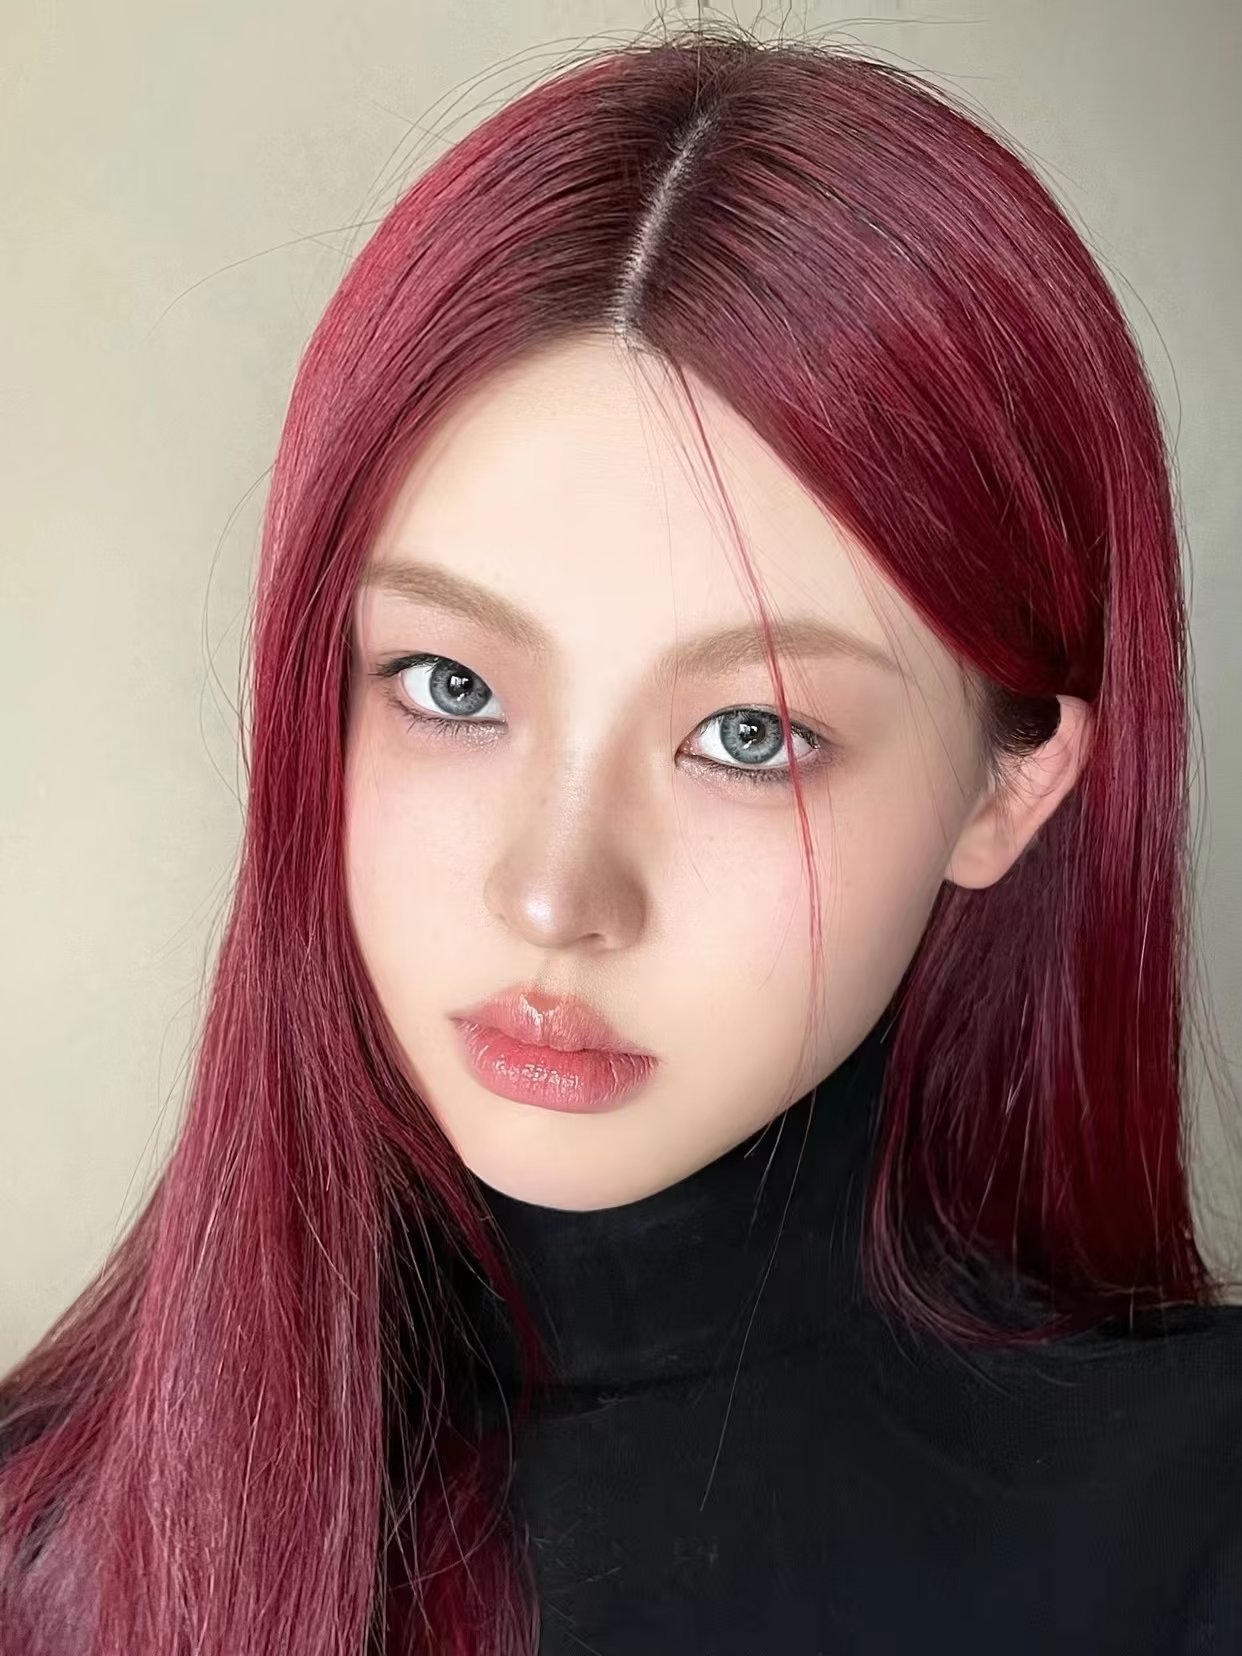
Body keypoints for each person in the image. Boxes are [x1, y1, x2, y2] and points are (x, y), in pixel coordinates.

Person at [1, 22, 1239, 1656]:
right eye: (450, 686)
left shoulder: (1197, 1526)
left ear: (1008, 789)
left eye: (750, 735)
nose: (551, 894)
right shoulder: (44, 1548)